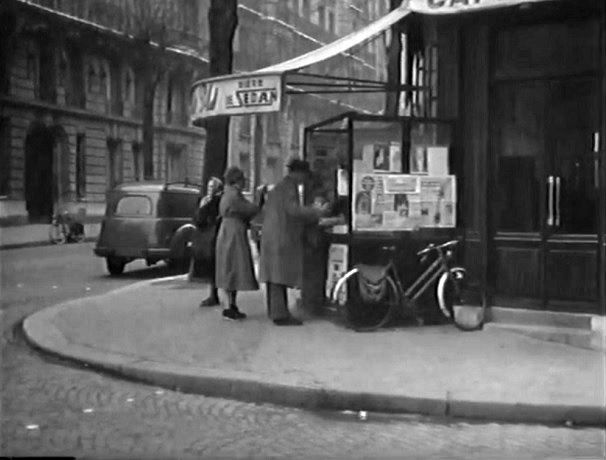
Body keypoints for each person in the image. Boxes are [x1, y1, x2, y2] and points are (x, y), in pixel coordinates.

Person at [259, 158, 329, 326]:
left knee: (273, 276)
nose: (305, 179)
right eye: (305, 175)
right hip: (281, 237)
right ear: (299, 173)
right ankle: (280, 315)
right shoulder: (289, 188)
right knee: (278, 275)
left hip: (271, 235)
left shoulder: (279, 186)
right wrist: (316, 211)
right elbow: (293, 210)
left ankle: (275, 311)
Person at [215, 167, 259, 320]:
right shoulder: (234, 195)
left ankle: (230, 305)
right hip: (233, 233)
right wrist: (260, 200)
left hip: (228, 232)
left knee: (229, 268)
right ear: (237, 180)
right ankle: (229, 306)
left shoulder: (228, 194)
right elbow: (250, 209)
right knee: (231, 268)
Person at [193, 176, 223, 307]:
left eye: (212, 187)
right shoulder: (204, 200)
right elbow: (198, 219)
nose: (210, 189)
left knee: (214, 264)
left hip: (214, 235)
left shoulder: (216, 201)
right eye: (209, 187)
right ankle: (213, 293)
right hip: (205, 235)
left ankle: (215, 294)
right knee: (210, 265)